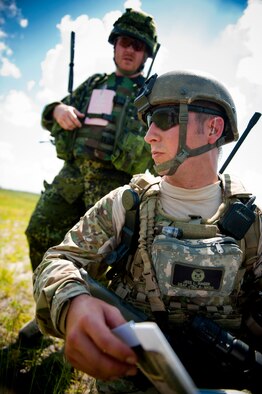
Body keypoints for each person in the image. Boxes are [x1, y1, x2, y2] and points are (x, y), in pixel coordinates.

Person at [33, 70, 262, 394]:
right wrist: (73, 304)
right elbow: (58, 261)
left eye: (164, 119)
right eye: (148, 123)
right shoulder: (128, 204)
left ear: (213, 128)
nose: (149, 135)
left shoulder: (253, 223)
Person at [25, 8, 159, 273]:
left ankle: (82, 311)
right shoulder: (94, 84)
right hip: (72, 177)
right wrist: (57, 110)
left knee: (96, 262)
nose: (129, 50)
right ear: (114, 44)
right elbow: (49, 116)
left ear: (147, 53)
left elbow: (162, 145)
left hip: (115, 188)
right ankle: (49, 306)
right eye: (124, 42)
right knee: (40, 232)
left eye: (138, 45)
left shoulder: (153, 96)